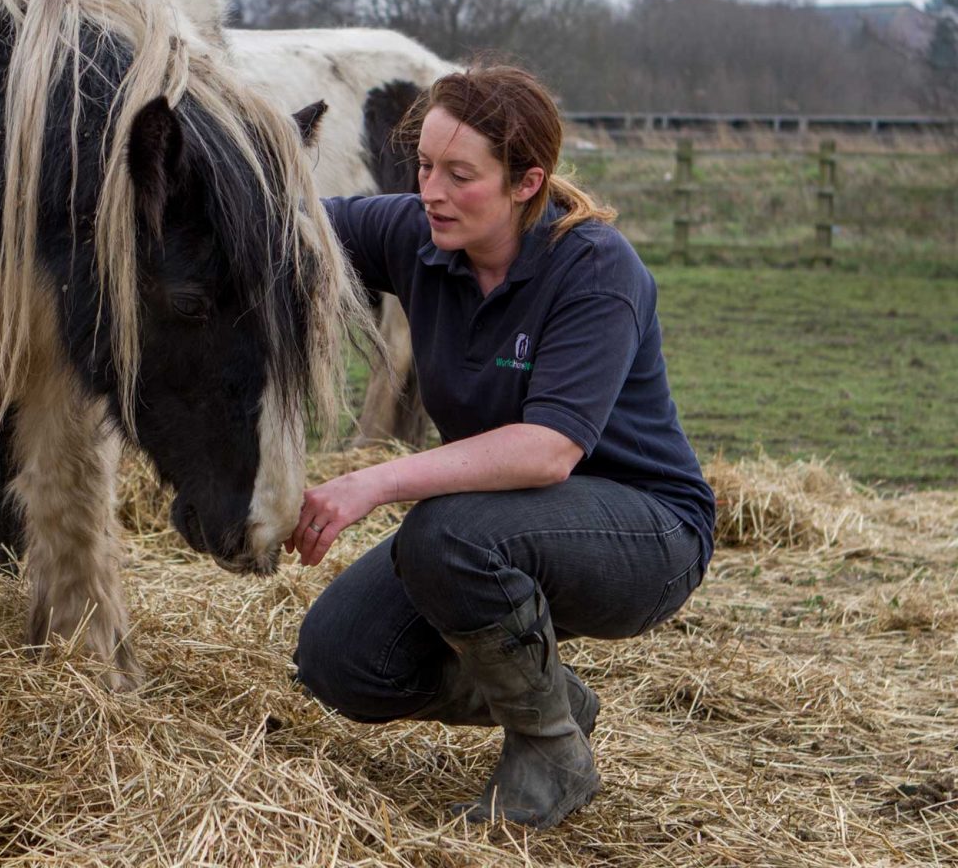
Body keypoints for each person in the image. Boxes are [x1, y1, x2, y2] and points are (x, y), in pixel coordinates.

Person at [288, 65, 715, 829]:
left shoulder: (595, 269)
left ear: (527, 182)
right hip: (502, 524)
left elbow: (547, 450)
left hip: (646, 532)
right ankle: (553, 698)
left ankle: (549, 750)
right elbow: (288, 224)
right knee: (341, 660)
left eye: (460, 175)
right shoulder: (417, 235)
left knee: (446, 534)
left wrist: (372, 482)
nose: (432, 192)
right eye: (423, 166)